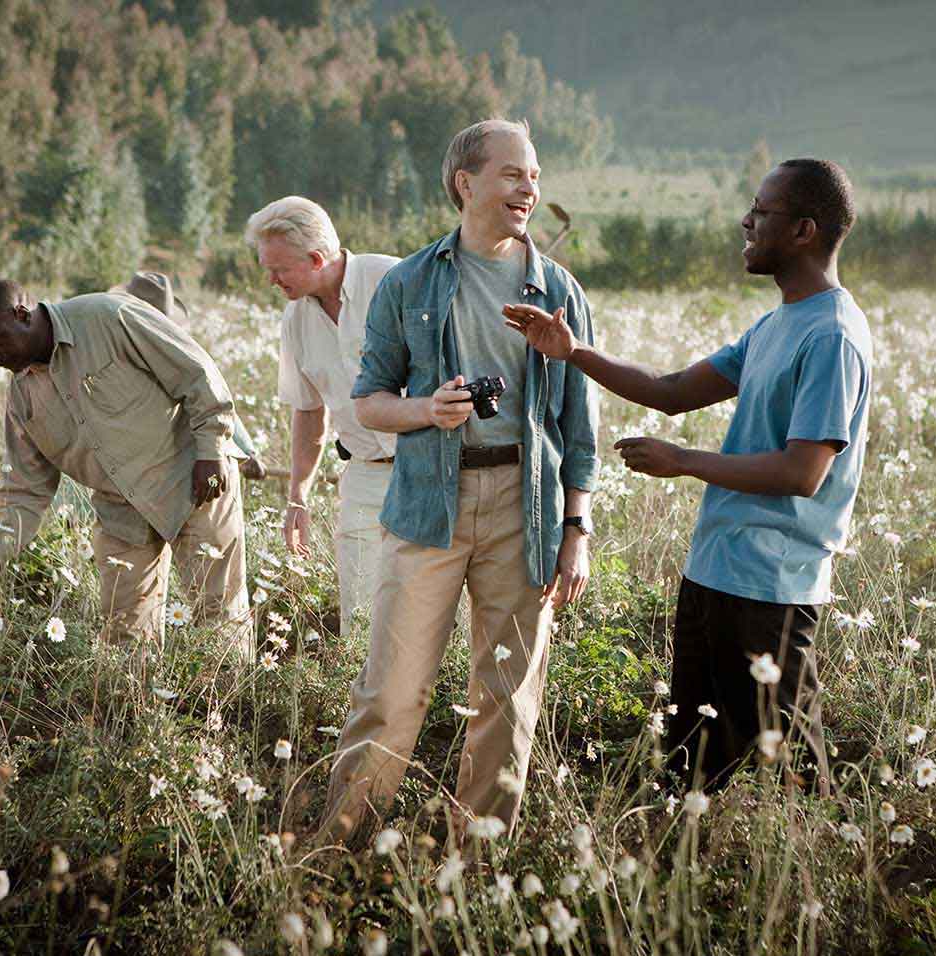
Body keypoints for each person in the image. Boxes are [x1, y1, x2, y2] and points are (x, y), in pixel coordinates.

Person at [507, 158, 873, 793]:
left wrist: (682, 462)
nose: (747, 221)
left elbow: (803, 470)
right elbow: (671, 391)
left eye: (762, 211)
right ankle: (686, 874)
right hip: (716, 571)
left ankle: (801, 879)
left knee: (785, 770)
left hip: (774, 586)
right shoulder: (776, 325)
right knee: (692, 762)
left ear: (804, 231)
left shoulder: (833, 336)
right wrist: (574, 353)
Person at [319, 119, 599, 842]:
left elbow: (579, 431)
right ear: (465, 183)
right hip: (426, 503)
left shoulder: (560, 290)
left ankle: (478, 866)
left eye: (534, 175)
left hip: (526, 508)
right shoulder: (410, 281)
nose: (529, 188)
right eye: (513, 174)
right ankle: (338, 848)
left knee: (509, 700)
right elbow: (369, 399)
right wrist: (427, 410)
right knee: (392, 691)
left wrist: (578, 531)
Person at [0, 279, 251, 652]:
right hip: (120, 510)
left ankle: (232, 707)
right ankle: (138, 708)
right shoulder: (22, 400)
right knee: (123, 634)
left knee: (219, 615)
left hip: (194, 478)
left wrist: (211, 450)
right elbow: (25, 488)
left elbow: (196, 372)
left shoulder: (109, 317)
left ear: (22, 313)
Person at [243, 197, 400, 632]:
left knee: (435, 610)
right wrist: (298, 495)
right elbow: (309, 414)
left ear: (315, 259)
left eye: (279, 269)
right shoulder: (295, 320)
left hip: (430, 462)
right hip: (365, 471)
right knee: (361, 613)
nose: (270, 280)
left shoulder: (393, 279)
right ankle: (370, 698)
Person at [113, 270, 267, 481]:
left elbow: (212, 396)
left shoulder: (176, 352)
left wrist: (247, 452)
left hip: (168, 467)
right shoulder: (111, 349)